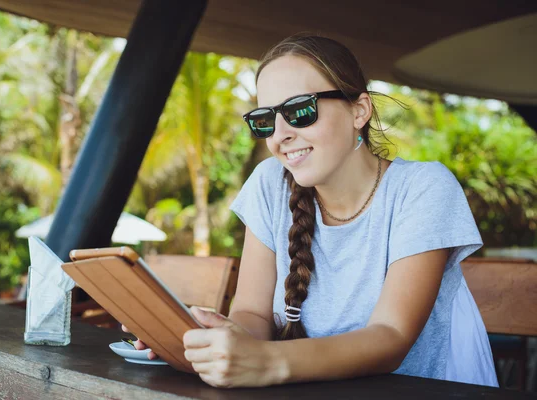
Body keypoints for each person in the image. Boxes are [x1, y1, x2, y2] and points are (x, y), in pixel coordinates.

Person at [123, 34, 498, 388]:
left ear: (360, 111)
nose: (279, 135)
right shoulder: (270, 183)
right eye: (266, 119)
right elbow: (252, 314)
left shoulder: (423, 189)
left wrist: (269, 361)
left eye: (301, 110)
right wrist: (218, 342)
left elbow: (391, 338)